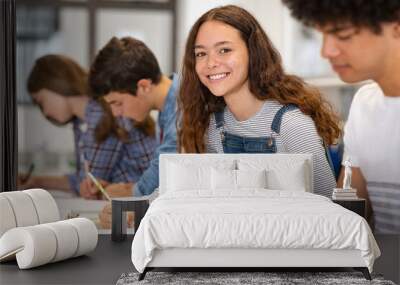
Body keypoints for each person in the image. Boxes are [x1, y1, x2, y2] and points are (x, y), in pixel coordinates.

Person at [178, 5, 341, 198]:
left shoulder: (292, 125)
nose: (211, 63)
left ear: (253, 52)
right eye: (201, 54)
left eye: (224, 50)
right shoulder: (214, 127)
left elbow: (328, 207)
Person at [283, 0, 400, 233]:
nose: (326, 51)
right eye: (323, 35)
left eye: (343, 35)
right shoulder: (364, 104)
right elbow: (348, 220)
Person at [23, 54, 157, 198]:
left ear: (55, 84)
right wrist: (35, 181)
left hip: (147, 200)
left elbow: (90, 185)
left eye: (41, 101)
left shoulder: (100, 115)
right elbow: (85, 180)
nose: (45, 112)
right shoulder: (82, 121)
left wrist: (38, 181)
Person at [89, 37, 179, 228]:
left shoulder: (182, 109)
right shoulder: (168, 109)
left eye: (117, 103)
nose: (115, 112)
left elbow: (168, 169)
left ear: (144, 86)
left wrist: (131, 193)